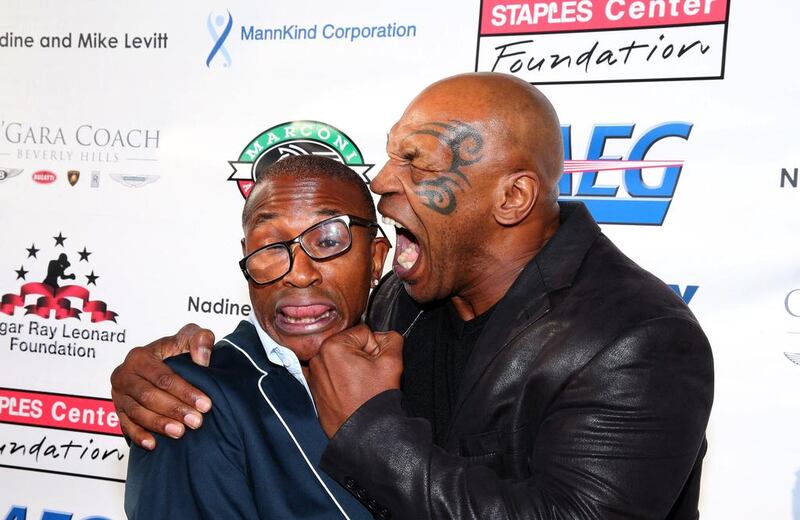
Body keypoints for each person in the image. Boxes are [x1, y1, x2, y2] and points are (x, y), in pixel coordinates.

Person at [112, 73, 714, 519]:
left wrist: (369, 432)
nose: (379, 180)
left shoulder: (639, 340)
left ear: (512, 198)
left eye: (415, 163)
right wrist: (161, 370)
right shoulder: (405, 294)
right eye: (390, 152)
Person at [124, 155, 392, 519]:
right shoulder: (191, 399)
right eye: (269, 246)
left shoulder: (413, 361)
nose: (298, 274)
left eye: (328, 240)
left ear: (375, 259)